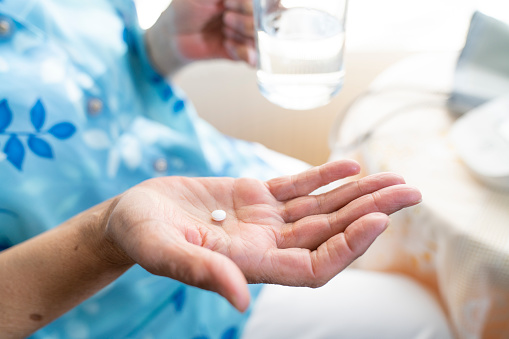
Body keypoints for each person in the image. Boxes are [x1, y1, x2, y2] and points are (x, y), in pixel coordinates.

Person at [0, 0, 453, 338]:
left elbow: (97, 85)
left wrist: (158, 48)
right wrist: (103, 235)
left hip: (232, 180)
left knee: (425, 241)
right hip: (137, 306)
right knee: (426, 318)